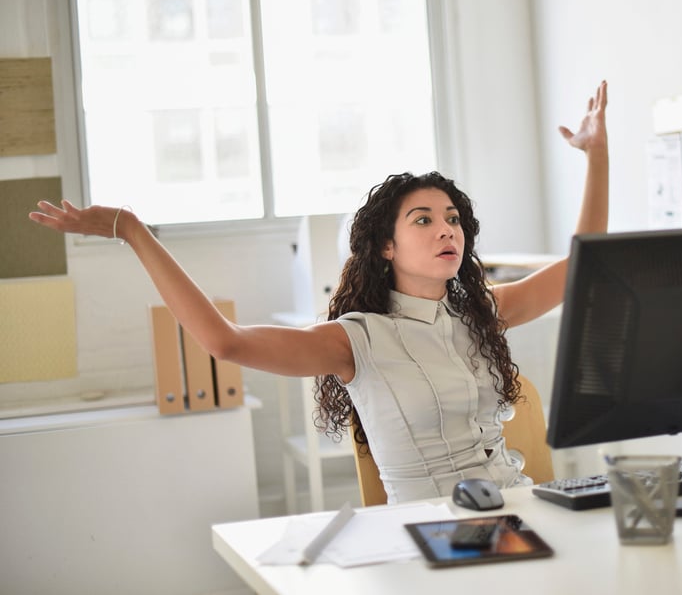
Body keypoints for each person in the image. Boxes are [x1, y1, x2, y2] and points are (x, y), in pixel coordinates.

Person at [29, 80, 610, 503]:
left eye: (453, 218)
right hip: (438, 537)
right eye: (424, 220)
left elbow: (586, 264)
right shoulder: (356, 340)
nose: (446, 230)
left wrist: (596, 156)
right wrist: (132, 230)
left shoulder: (481, 312)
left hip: (520, 511)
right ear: (385, 247)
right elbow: (223, 342)